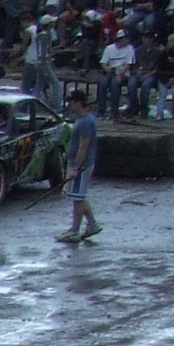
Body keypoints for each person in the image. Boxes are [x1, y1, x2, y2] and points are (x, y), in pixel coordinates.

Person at [60, 97, 102, 243]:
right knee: (79, 196)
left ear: (78, 102)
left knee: (78, 198)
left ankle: (75, 230)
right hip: (78, 164)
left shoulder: (86, 122)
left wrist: (76, 167)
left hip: (82, 165)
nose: (69, 106)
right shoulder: (82, 120)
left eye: (71, 102)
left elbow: (84, 145)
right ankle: (91, 224)